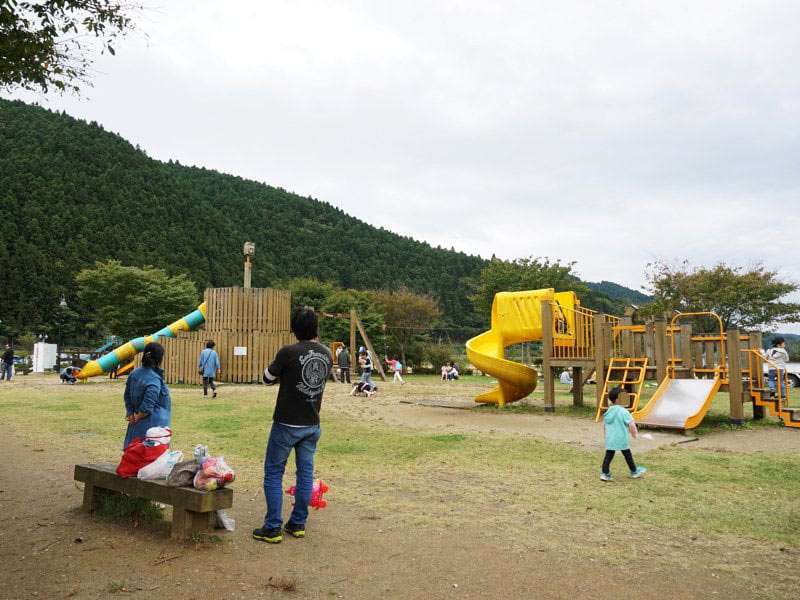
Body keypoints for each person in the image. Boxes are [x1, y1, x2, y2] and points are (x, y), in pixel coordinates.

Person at [253, 307, 332, 544]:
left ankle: (272, 527)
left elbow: (266, 379)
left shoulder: (288, 351)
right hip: (312, 422)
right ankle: (298, 524)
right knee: (305, 474)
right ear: (315, 327)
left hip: (286, 423)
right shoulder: (327, 353)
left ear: (294, 328)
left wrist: (282, 373)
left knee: (274, 473)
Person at [123, 342, 171, 450]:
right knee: (146, 459)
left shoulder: (134, 373)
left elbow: (126, 395)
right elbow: (148, 402)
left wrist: (130, 413)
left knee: (133, 455)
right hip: (153, 428)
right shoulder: (153, 378)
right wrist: (138, 416)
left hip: (135, 423)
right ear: (159, 359)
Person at [600, 387, 646, 482]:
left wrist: (605, 435)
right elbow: (631, 425)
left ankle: (605, 473)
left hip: (610, 438)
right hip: (622, 438)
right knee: (628, 455)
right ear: (618, 399)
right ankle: (634, 471)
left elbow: (604, 424)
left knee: (608, 456)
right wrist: (635, 434)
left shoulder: (608, 411)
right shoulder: (624, 411)